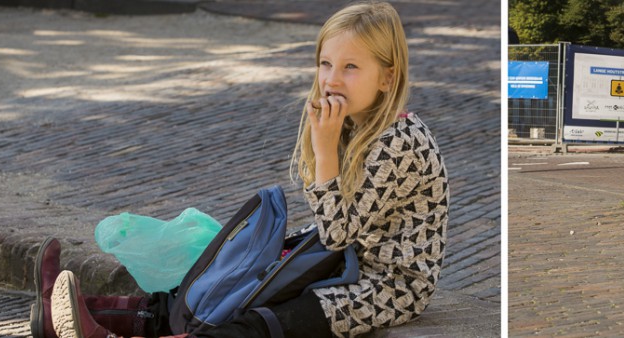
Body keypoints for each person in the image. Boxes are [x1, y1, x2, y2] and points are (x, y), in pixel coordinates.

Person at [40, 2, 450, 338]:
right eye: (326, 64)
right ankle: (72, 313)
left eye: (350, 67)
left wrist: (324, 151)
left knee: (258, 324)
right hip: (344, 261)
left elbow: (338, 232)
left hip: (389, 285)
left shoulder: (402, 142)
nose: (331, 79)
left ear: (387, 77)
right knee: (230, 283)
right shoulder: (353, 124)